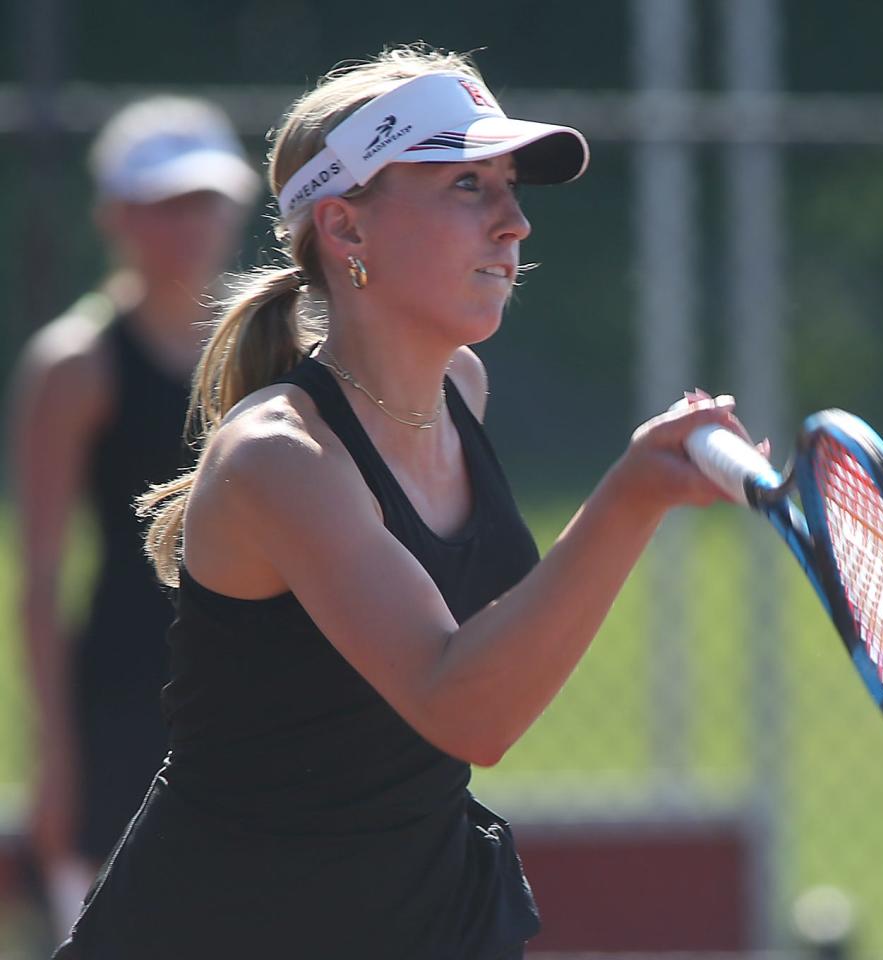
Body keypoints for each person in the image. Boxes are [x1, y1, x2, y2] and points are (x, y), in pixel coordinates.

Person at [52, 46, 752, 960]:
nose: (515, 225)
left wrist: (641, 494)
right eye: (469, 186)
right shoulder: (278, 459)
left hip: (418, 916)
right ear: (345, 230)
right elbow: (464, 708)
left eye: (510, 186)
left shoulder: (461, 386)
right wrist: (631, 499)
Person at [8, 96, 259, 937]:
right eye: (162, 204)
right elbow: (40, 575)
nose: (187, 225)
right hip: (120, 695)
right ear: (115, 216)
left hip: (247, 685)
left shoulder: (273, 357)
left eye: (202, 201)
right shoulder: (74, 366)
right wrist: (56, 758)